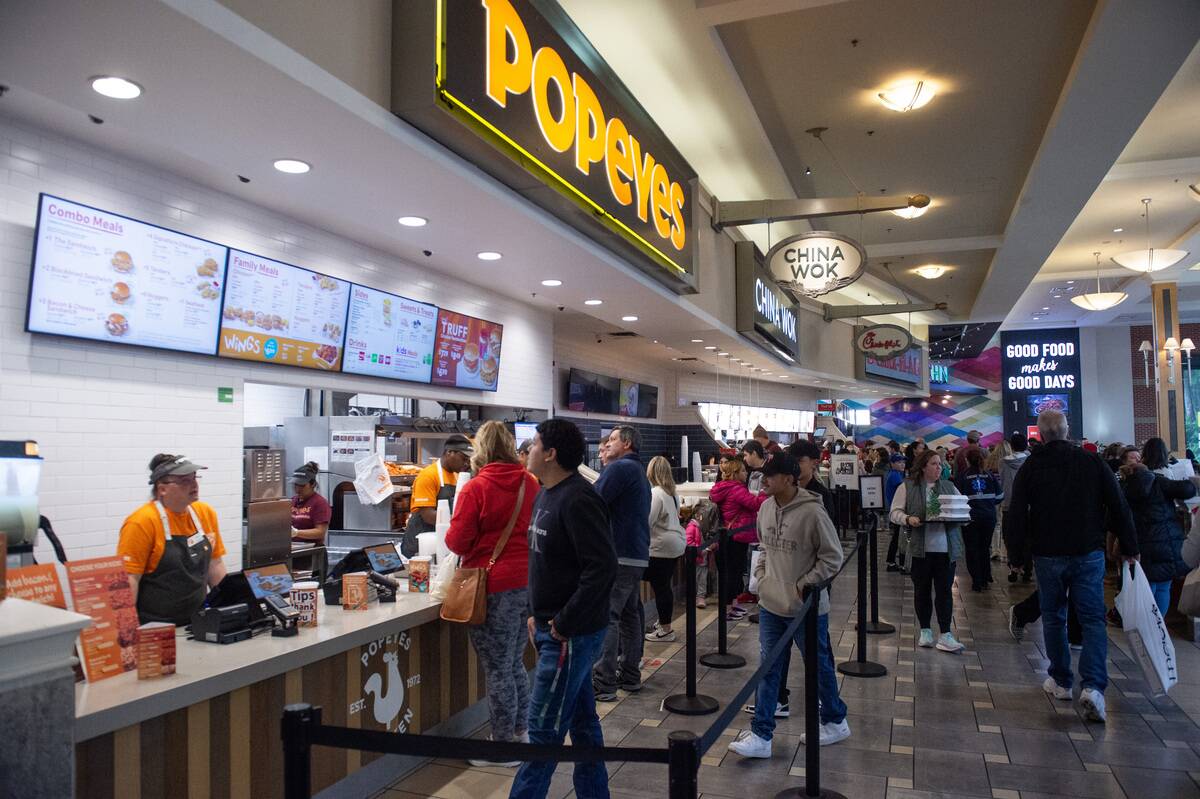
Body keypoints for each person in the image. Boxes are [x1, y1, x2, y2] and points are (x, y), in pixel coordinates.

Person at [1006, 409, 1137, 723]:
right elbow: (1118, 504)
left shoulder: (1032, 466)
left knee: (1053, 616)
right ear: (1066, 431)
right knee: (1092, 618)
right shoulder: (1092, 462)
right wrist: (1130, 547)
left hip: (1048, 552)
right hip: (1086, 551)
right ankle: (1093, 686)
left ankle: (1062, 680)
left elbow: (1016, 512)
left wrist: (1016, 555)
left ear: (1040, 434)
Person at [510, 420, 616, 799]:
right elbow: (545, 563)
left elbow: (602, 568)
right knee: (583, 724)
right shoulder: (546, 493)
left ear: (551, 453)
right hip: (552, 627)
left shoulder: (578, 498)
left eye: (534, 443)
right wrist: (533, 613)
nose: (529, 449)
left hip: (569, 635)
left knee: (541, 735)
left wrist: (562, 624)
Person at [728, 453, 849, 758]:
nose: (764, 480)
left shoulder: (813, 513)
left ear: (789, 479)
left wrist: (804, 583)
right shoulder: (766, 508)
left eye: (771, 475)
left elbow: (832, 557)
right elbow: (765, 547)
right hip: (771, 606)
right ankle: (761, 735)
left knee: (818, 666)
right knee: (768, 668)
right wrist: (761, 576)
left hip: (806, 609)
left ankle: (835, 720)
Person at [445, 421, 540, 767]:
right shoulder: (529, 483)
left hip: (491, 584)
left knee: (498, 668)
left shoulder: (476, 487)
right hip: (526, 582)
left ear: (481, 449)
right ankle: (519, 733)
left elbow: (456, 542)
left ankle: (503, 747)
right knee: (514, 662)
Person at [118, 454, 228, 625]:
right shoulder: (141, 522)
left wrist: (232, 608)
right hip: (155, 626)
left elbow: (215, 565)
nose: (194, 485)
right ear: (162, 489)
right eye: (184, 481)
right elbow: (130, 579)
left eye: (194, 478)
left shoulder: (205, 513)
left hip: (197, 621)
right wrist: (127, 631)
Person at [591, 426, 651, 702]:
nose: (607, 445)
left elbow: (592, 502)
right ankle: (630, 676)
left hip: (618, 554)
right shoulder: (638, 470)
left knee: (609, 616)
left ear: (626, 443)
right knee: (629, 615)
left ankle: (604, 683)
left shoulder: (619, 469)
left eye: (612, 440)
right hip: (636, 553)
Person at [889, 449, 966, 652]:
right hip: (919, 549)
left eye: (940, 464)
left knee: (944, 591)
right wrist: (907, 519)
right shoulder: (907, 487)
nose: (938, 467)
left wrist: (960, 517)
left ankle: (945, 633)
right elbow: (894, 512)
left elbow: (964, 508)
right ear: (923, 467)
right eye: (934, 463)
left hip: (945, 549)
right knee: (921, 590)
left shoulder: (950, 487)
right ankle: (925, 630)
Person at [1121, 450, 1196, 616]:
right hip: (1165, 541)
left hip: (1138, 544)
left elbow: (1115, 519)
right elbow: (1188, 490)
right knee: (1163, 586)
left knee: (1144, 587)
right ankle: (1159, 624)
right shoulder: (1160, 482)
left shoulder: (1124, 489)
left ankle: (1144, 623)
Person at [709, 458, 768, 620]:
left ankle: (733, 605)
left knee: (733, 572)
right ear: (735, 473)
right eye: (742, 471)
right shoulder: (736, 489)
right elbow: (755, 504)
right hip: (735, 536)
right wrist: (764, 492)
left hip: (731, 535)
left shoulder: (725, 488)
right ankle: (728, 609)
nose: (746, 473)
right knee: (732, 573)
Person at [402, 434, 473, 557]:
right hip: (419, 544)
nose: (467, 463)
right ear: (449, 452)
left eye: (469, 460)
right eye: (464, 458)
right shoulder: (428, 475)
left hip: (438, 542)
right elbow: (428, 516)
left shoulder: (457, 476)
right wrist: (462, 521)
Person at [644, 456, 687, 642]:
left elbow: (647, 521)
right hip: (675, 544)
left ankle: (666, 629)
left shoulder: (656, 493)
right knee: (663, 586)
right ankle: (664, 623)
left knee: (659, 586)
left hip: (660, 547)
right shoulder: (672, 492)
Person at [955, 449, 1002, 591]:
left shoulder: (963, 476)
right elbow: (1000, 496)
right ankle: (986, 577)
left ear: (967, 460)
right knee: (984, 547)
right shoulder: (989, 475)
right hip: (988, 517)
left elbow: (958, 497)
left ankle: (976, 580)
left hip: (970, 518)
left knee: (972, 549)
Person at [1001, 433, 1031, 583]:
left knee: (1010, 538)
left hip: (1009, 505)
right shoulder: (1031, 461)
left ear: (1011, 446)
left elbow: (1002, 483)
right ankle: (1027, 569)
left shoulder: (1003, 462)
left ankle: (1014, 566)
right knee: (1028, 538)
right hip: (1028, 505)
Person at [290, 461, 331, 544]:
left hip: (313, 553)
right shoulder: (292, 501)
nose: (297, 489)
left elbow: (320, 532)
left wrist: (296, 533)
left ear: (313, 484)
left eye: (302, 485)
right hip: (294, 549)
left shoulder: (320, 503)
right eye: (295, 485)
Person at [885, 453, 908, 572]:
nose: (902, 464)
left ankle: (892, 562)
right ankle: (898, 563)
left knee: (897, 537)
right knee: (899, 538)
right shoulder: (895, 476)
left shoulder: (896, 474)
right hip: (897, 510)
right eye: (899, 462)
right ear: (892, 464)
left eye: (903, 462)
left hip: (895, 509)